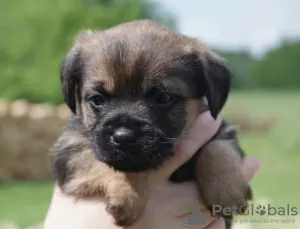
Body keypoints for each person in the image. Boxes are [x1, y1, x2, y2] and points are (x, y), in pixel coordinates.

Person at [43, 112, 260, 229]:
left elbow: (224, 139)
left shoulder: (205, 123)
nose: (124, 132)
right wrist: (120, 179)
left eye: (161, 99)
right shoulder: (82, 131)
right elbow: (68, 156)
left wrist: (218, 163)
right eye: (99, 100)